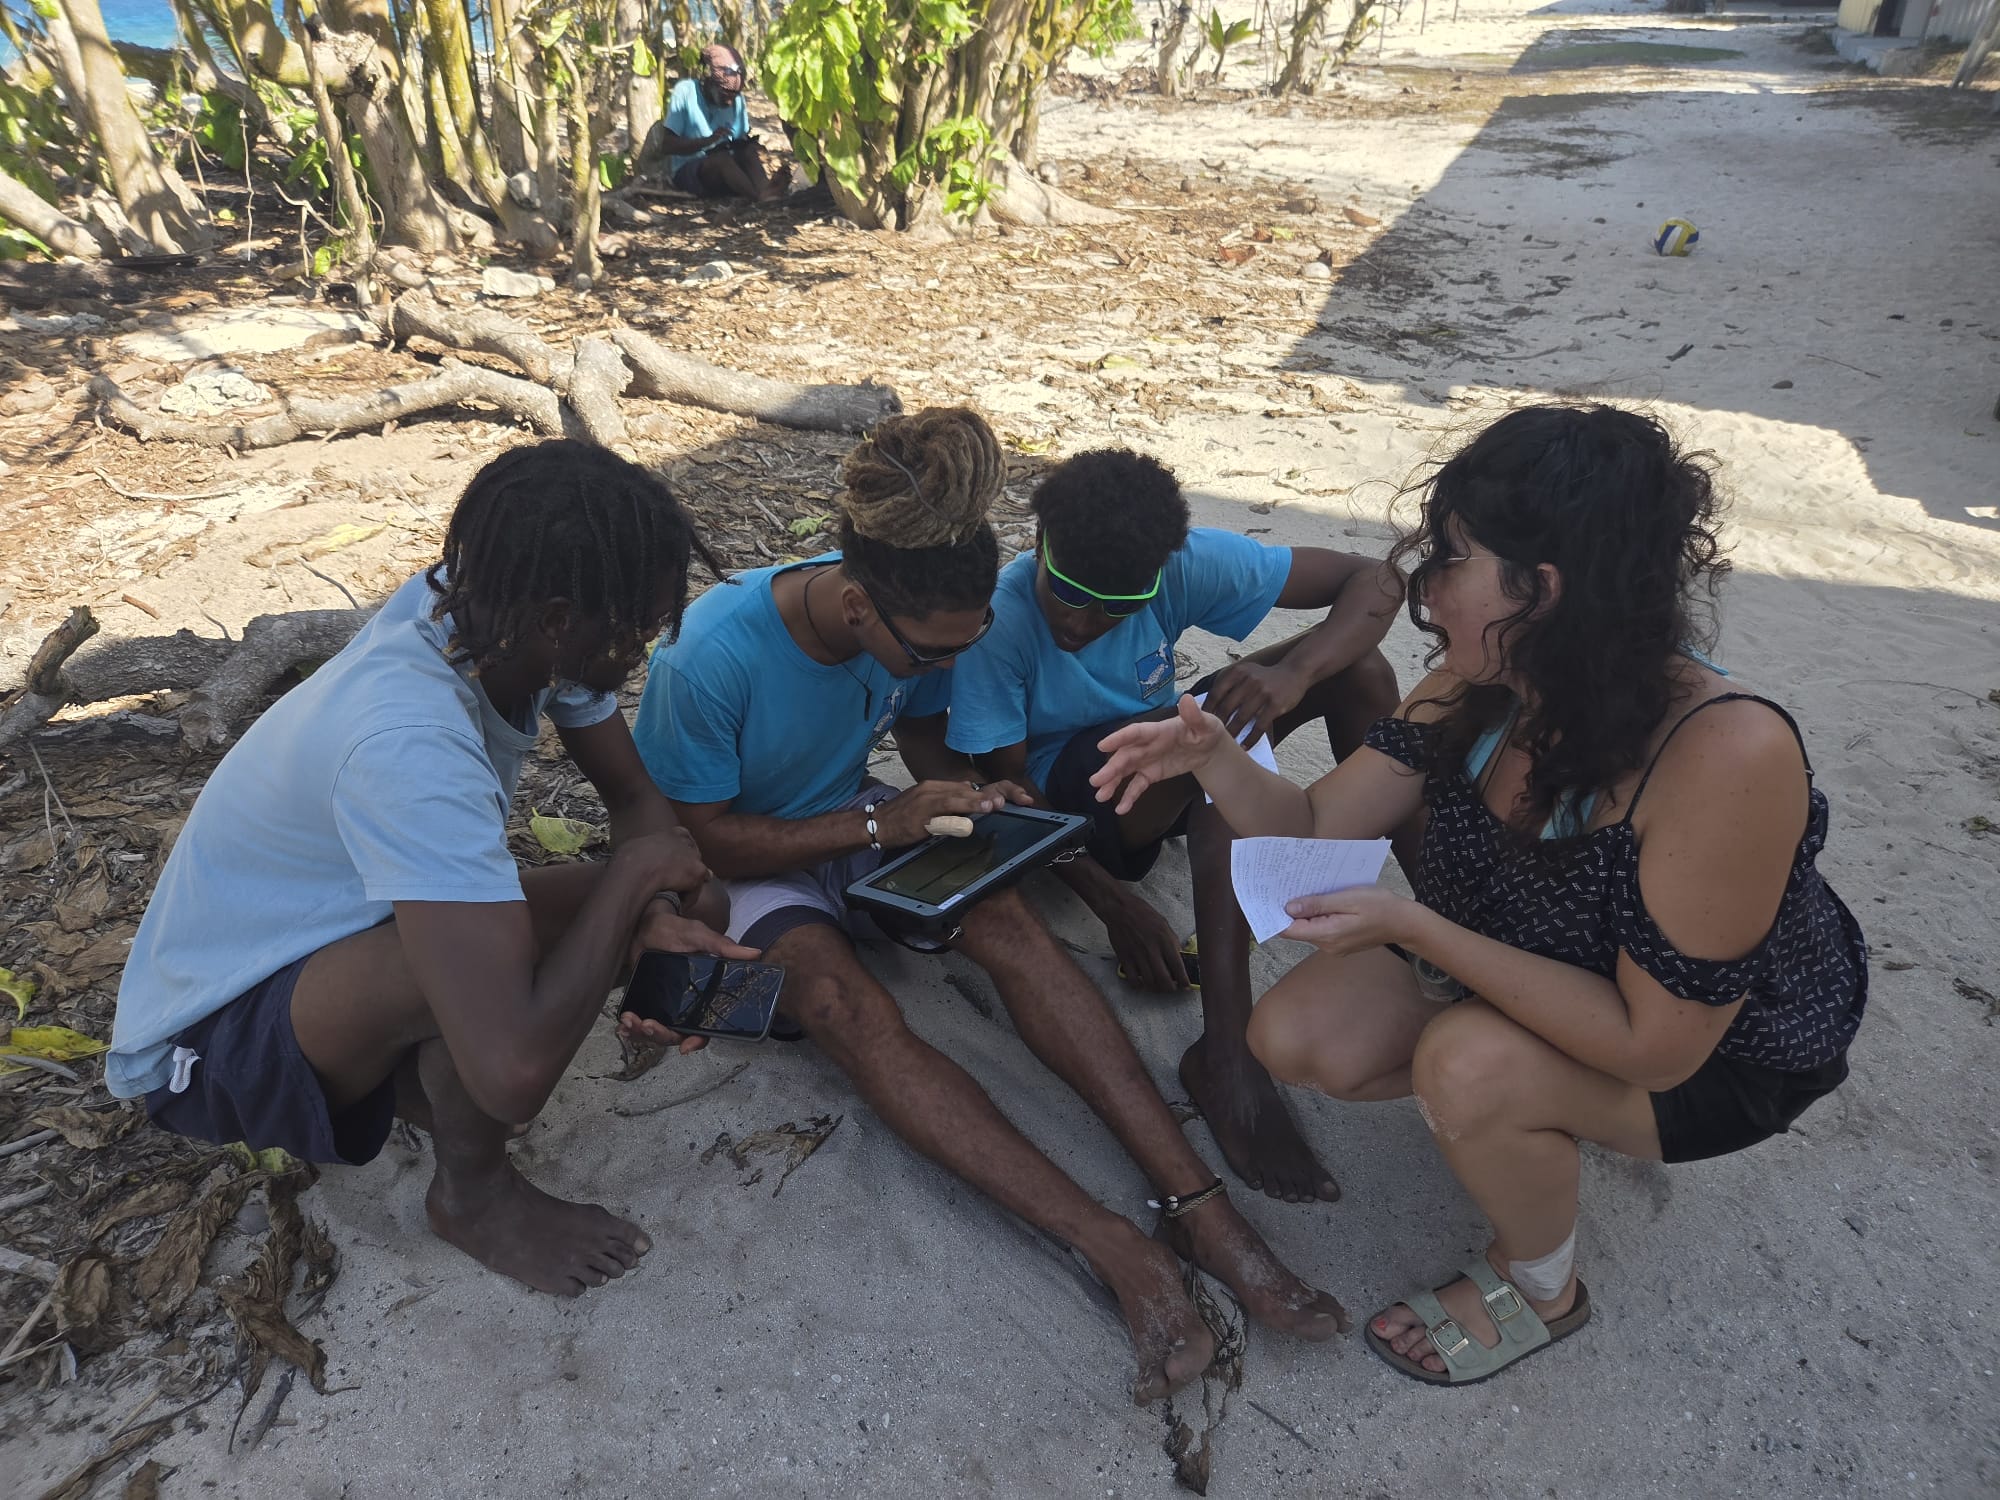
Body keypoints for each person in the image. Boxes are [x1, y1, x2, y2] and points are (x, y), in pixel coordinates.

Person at [1091, 404, 1867, 1385]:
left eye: (1450, 558)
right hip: (1547, 977)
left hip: (1715, 1055)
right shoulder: (1476, 686)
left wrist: (1416, 927)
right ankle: (1522, 1101)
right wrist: (1213, 759)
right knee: (1300, 1033)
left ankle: (1539, 1284)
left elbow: (1657, 1050)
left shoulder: (1726, 753)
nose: (1421, 588)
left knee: (1464, 1065)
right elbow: (1319, 826)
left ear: (1539, 590)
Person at [629, 407, 1346, 1406]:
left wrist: (973, 797)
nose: (938, 670)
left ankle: (1198, 1207)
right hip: (755, 863)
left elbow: (925, 746)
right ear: (855, 614)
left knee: (1005, 917)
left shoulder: (922, 627)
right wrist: (881, 830)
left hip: (865, 818)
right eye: (927, 656)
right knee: (847, 1009)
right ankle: (1107, 1243)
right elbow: (695, 839)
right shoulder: (708, 658)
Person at [108, 441, 748, 1299]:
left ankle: (425, 1081)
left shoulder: (497, 613)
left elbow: (638, 806)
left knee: (692, 894)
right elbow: (514, 1079)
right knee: (496, 975)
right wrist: (631, 887)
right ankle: (473, 1197)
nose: (641, 652)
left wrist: (658, 919)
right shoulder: (409, 741)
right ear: (562, 620)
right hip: (213, 1038)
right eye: (634, 631)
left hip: (333, 946)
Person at [944, 448, 1405, 1206]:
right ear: (1043, 551)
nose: (1081, 620)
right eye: (1067, 592)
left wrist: (1294, 673)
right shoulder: (1004, 622)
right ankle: (1225, 1052)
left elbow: (1378, 580)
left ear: (1157, 578)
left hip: (1162, 743)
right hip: (1077, 799)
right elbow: (1011, 790)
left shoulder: (1180, 564)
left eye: (1115, 607)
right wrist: (1112, 902)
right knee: (1200, 753)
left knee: (1359, 672)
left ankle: (1446, 918)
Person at [637, 43, 782, 203]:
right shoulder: (685, 91)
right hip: (690, 171)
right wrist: (707, 142)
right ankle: (759, 198)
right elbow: (667, 145)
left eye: (734, 95)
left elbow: (741, 140)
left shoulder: (737, 101)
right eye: (725, 94)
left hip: (729, 169)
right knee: (721, 159)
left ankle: (767, 191)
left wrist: (749, 145)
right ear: (709, 80)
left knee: (748, 153)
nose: (730, 101)